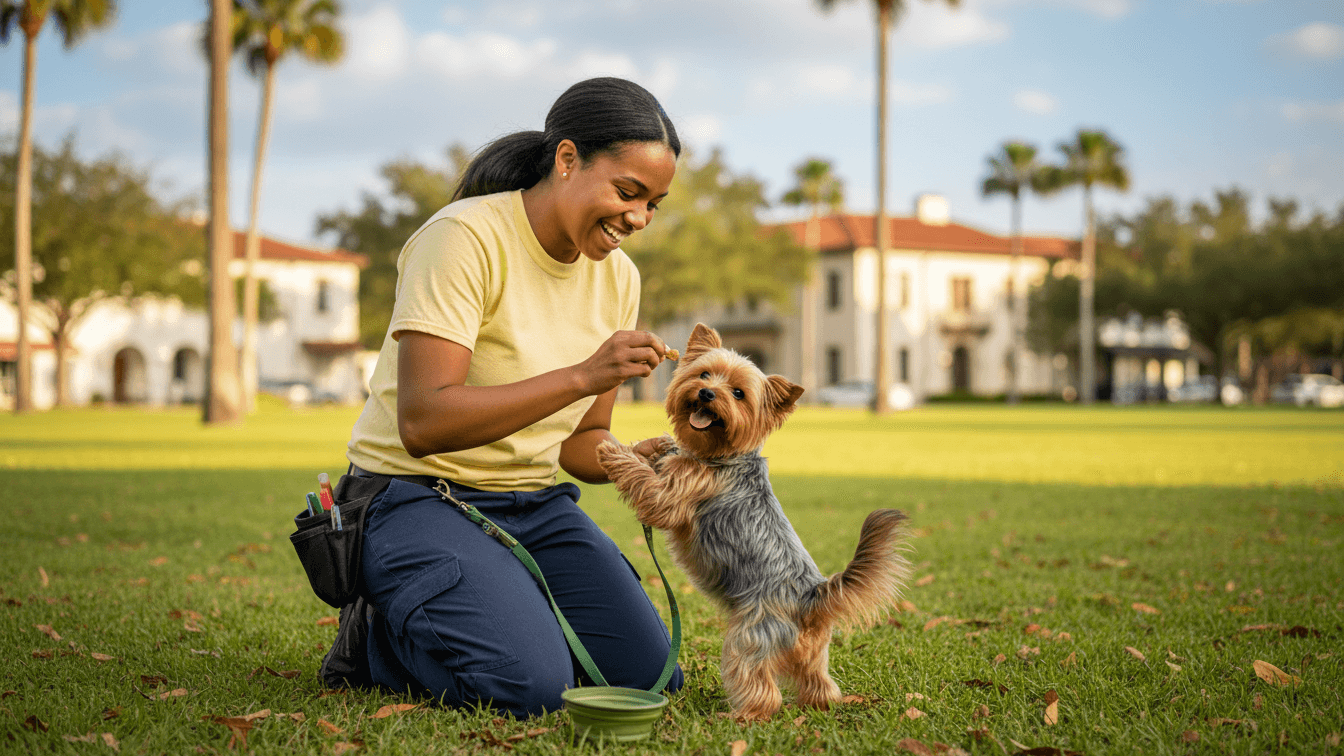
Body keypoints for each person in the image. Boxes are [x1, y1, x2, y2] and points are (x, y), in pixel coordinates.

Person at [343, 77, 684, 717]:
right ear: (567, 159)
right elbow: (423, 421)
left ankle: (500, 608)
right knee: (530, 688)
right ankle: (376, 641)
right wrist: (583, 375)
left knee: (649, 677)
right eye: (627, 192)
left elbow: (581, 442)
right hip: (415, 495)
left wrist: (631, 461)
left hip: (534, 504)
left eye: (653, 204)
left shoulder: (620, 278)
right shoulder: (463, 238)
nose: (638, 218)